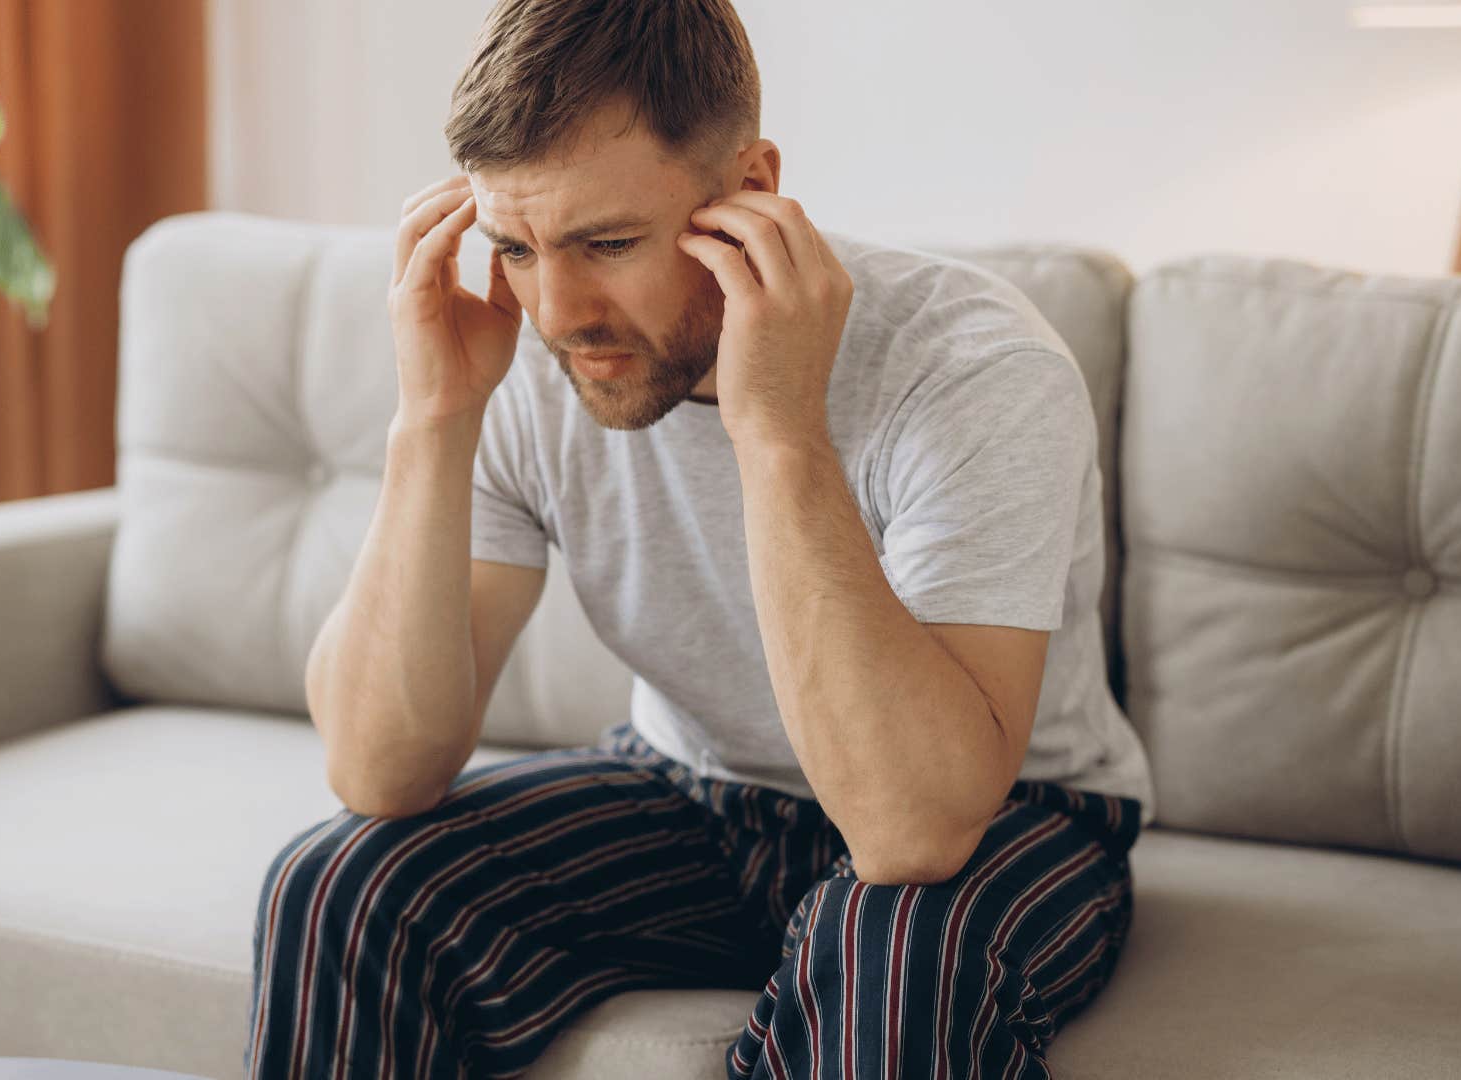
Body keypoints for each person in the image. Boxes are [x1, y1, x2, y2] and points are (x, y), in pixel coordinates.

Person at [245, 0, 1155, 1076]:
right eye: (517, 248)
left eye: (609, 243)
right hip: (692, 787)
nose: (560, 311)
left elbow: (915, 832)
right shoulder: (526, 357)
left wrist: (775, 432)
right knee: (342, 883)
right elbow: (378, 769)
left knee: (898, 947)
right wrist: (433, 417)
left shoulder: (968, 367)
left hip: (1008, 816)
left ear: (752, 192)